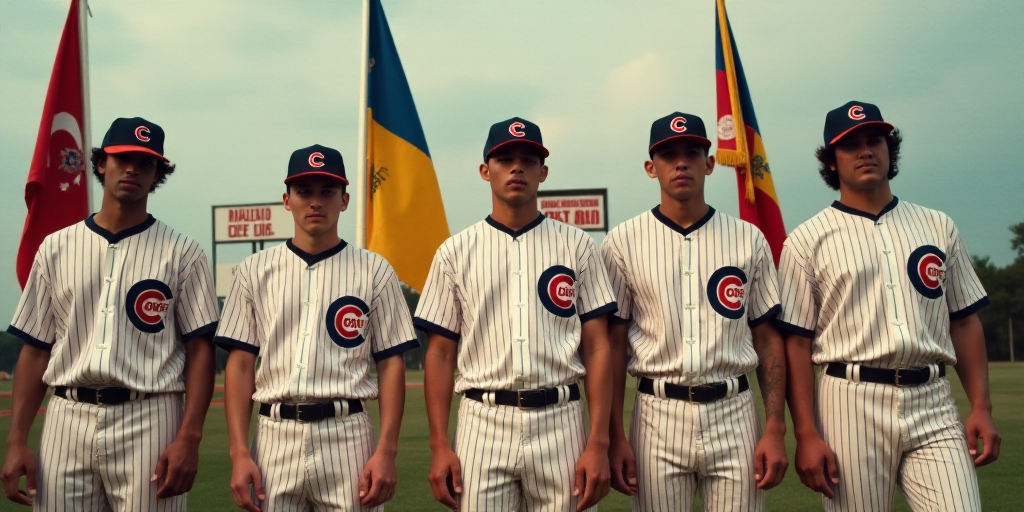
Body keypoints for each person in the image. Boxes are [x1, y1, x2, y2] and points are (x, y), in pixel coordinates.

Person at [779, 101, 1001, 511]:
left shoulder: (938, 225)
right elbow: (796, 344)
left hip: (933, 398)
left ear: (889, 149)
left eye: (874, 140)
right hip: (850, 399)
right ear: (831, 162)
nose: (866, 151)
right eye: (851, 145)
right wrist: (806, 433)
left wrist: (981, 407)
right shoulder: (806, 241)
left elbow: (965, 321)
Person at [1, 117, 219, 511]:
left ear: (157, 175)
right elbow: (35, 350)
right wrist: (16, 440)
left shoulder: (183, 252)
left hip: (149, 414)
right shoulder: (56, 248)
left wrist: (189, 436)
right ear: (101, 164)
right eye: (122, 159)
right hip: (67, 414)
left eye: (146, 162)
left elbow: (200, 350)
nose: (133, 169)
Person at [417, 117, 617, 512]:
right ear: (485, 170)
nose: (517, 167)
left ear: (543, 171)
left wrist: (598, 442)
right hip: (482, 421)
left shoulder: (577, 246)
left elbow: (597, 348)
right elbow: (440, 354)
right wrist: (440, 444)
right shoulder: (455, 251)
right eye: (505, 158)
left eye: (528, 159)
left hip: (560, 419)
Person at [601, 112, 788, 512]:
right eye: (668, 154)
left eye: (692, 152)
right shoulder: (622, 242)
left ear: (709, 162)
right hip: (657, 414)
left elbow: (768, 338)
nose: (681, 162)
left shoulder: (747, 238)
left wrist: (774, 426)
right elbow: (613, 345)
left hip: (733, 410)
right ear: (651, 168)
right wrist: (615, 434)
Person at [215, 144, 417, 512]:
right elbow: (241, 364)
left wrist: (386, 451)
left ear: (345, 200)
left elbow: (390, 364)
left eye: (327, 191)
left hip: (347, 434)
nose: (315, 201)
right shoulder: (255, 270)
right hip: (275, 435)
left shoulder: (374, 270)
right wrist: (239, 452)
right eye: (304, 191)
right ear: (286, 199)